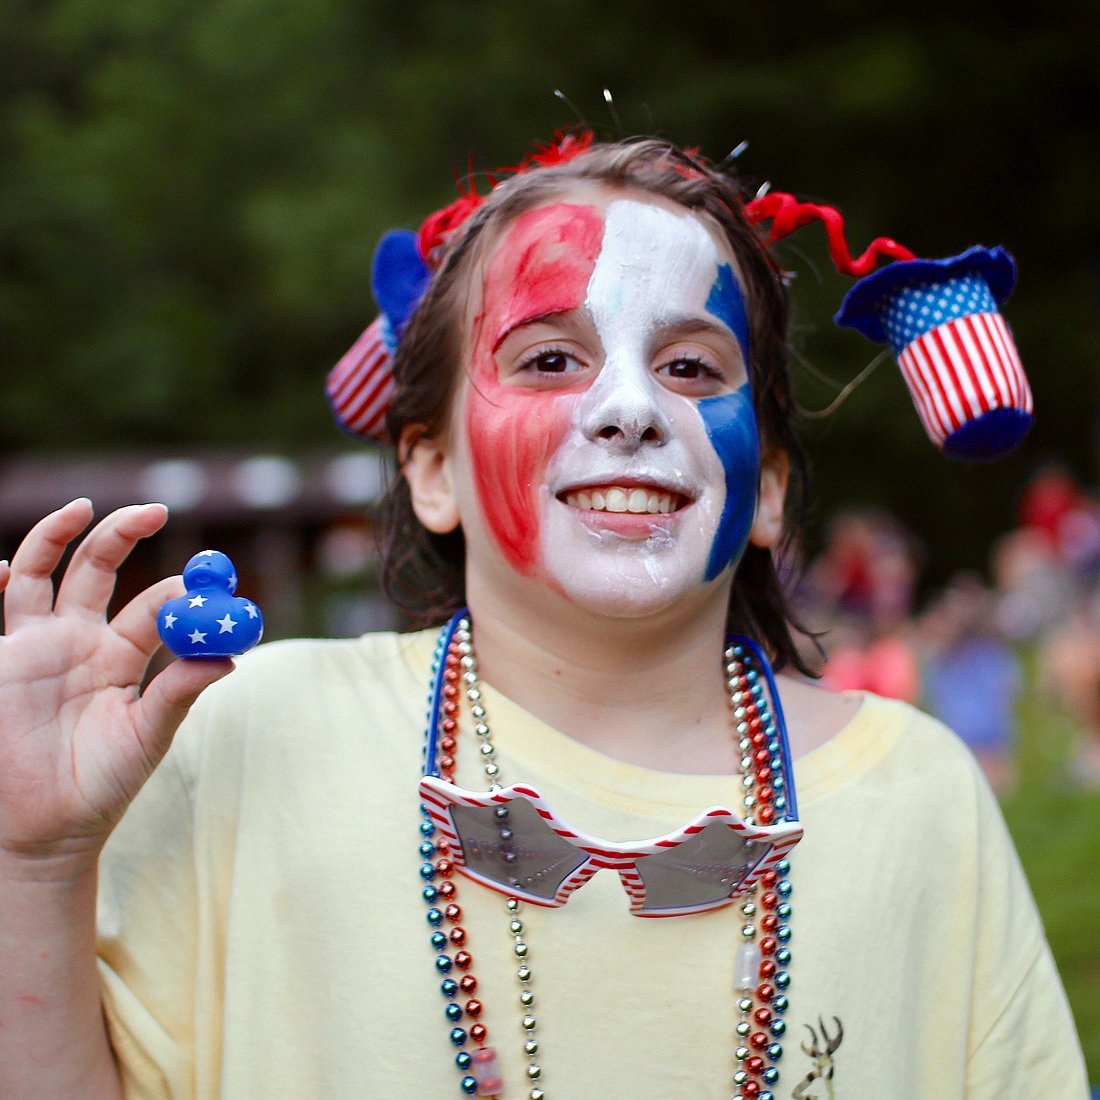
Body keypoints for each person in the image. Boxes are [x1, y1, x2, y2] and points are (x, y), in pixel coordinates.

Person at [0, 135, 1087, 1099]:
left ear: (765, 490)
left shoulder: (920, 796)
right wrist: (33, 862)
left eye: (689, 366)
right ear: (431, 467)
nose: (630, 408)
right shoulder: (253, 733)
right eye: (550, 359)